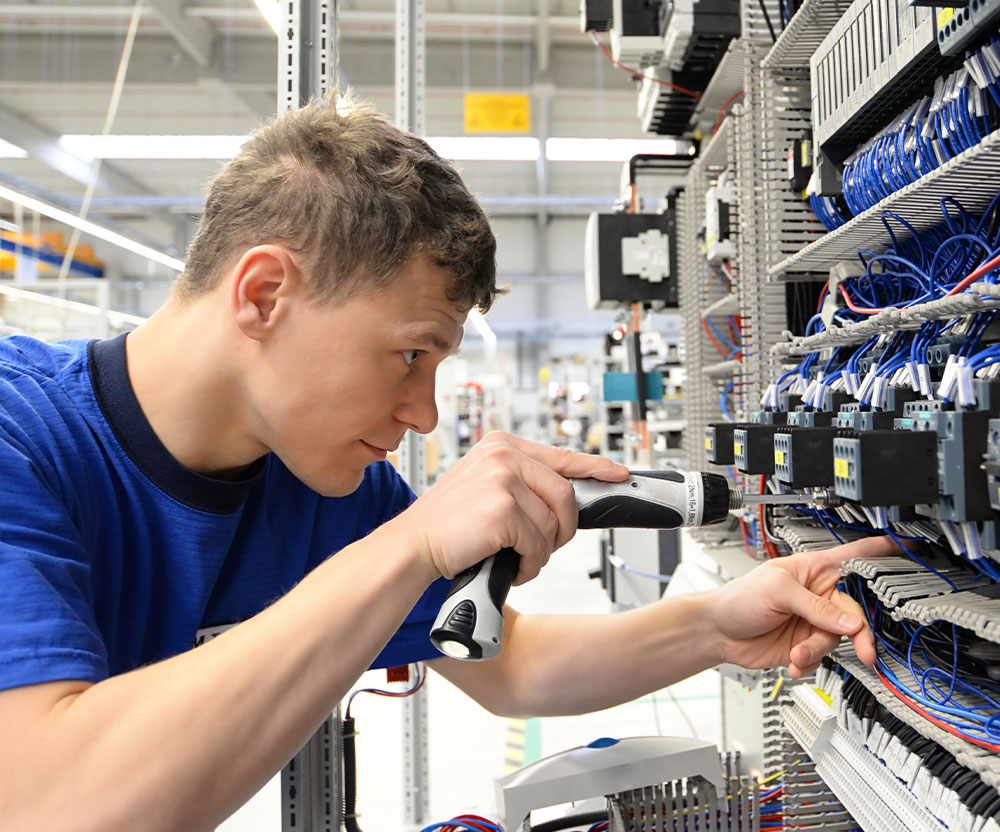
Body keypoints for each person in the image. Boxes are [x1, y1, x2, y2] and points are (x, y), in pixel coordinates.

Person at [0, 93, 900, 831]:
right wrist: (409, 545)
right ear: (265, 294)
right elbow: (50, 803)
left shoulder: (325, 489)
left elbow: (513, 667)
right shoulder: (20, 435)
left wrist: (717, 626)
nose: (424, 413)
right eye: (409, 354)